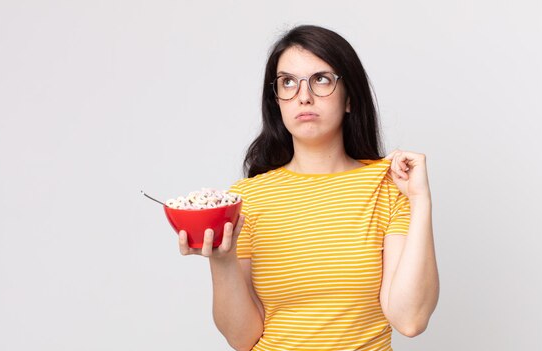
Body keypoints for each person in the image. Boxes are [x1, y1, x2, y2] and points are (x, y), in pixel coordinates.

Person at [178, 24, 439, 351]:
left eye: (321, 79)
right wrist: (222, 260)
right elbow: (241, 338)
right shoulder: (249, 198)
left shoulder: (388, 187)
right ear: (277, 102)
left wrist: (421, 199)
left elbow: (410, 319)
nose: (304, 96)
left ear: (349, 99)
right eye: (288, 82)